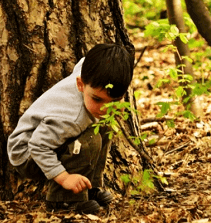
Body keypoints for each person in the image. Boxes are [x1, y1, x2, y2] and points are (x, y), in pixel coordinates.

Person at [7, 43, 134, 214]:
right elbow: (38, 146)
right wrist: (64, 178)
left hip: (48, 139)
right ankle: (63, 199)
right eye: (97, 99)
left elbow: (82, 62)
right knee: (90, 140)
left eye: (114, 100)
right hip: (27, 154)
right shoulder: (71, 118)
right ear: (80, 84)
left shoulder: (88, 70)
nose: (104, 108)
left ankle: (89, 187)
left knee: (104, 126)